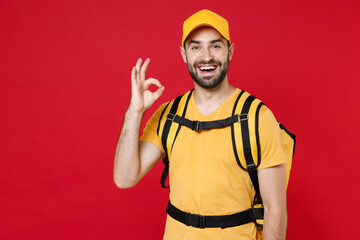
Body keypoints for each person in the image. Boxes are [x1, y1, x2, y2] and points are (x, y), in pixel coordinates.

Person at [114, 9, 287, 240]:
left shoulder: (258, 117)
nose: (206, 56)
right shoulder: (169, 115)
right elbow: (124, 178)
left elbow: (275, 209)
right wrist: (134, 112)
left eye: (216, 46)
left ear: (230, 51)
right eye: (196, 47)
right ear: (184, 54)